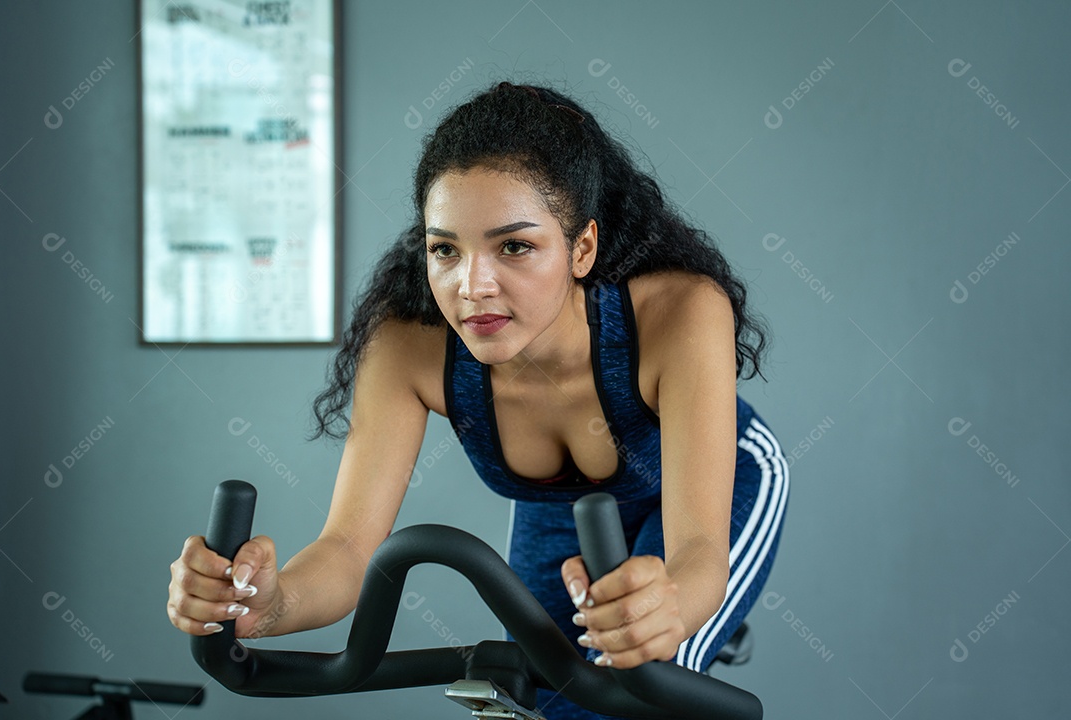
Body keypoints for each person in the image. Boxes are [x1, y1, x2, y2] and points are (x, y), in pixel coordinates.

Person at [168, 80, 790, 720]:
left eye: (514, 246)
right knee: (550, 699)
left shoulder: (679, 312)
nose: (473, 286)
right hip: (563, 507)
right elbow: (350, 548)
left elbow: (697, 555)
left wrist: (672, 607)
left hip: (720, 485)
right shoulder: (409, 345)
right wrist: (270, 603)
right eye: (445, 250)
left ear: (582, 248)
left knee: (638, 686)